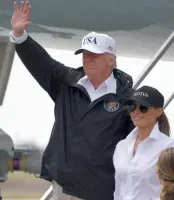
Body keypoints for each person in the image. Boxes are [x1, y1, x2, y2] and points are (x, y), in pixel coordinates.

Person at [10, 1, 134, 200]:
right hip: (63, 187)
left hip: (100, 192)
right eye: (84, 54)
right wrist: (19, 36)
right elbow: (41, 62)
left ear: (110, 59)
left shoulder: (127, 99)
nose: (87, 59)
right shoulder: (66, 82)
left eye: (94, 55)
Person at [113, 85, 174, 200]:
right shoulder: (121, 146)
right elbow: (118, 190)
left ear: (159, 111)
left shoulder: (169, 147)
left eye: (143, 107)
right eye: (132, 107)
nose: (136, 111)